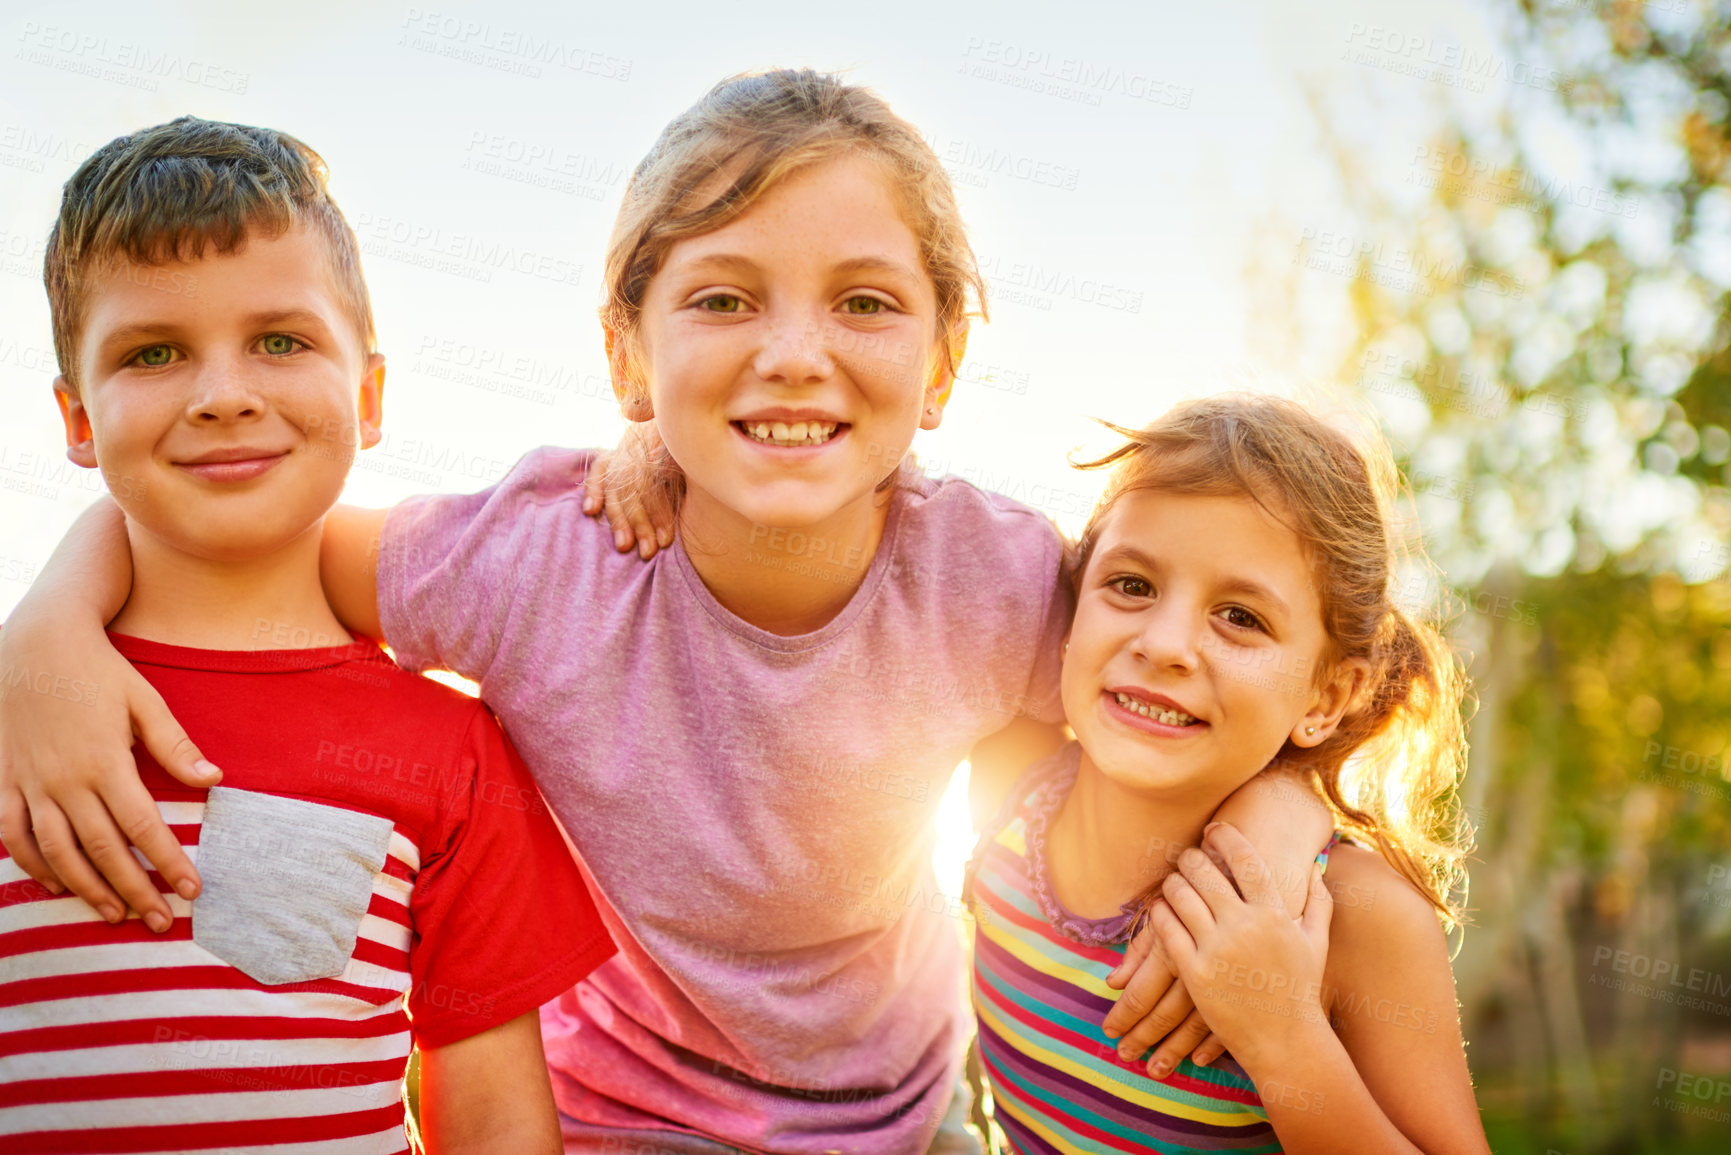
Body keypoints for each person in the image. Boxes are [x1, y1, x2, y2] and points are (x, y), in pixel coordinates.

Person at [0, 75, 1329, 1153]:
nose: (792, 350)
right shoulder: (533, 558)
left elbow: (1198, 690)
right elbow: (246, 525)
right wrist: (45, 631)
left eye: (863, 301)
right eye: (721, 298)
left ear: (944, 361)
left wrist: (1279, 816)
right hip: (605, 1117)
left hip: (907, 1115)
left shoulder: (997, 575)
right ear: (628, 354)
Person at [0, 117, 614, 1155]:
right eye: (153, 353)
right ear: (76, 418)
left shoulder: (455, 753)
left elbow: (494, 1118)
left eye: (280, 341)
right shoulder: (19, 715)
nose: (224, 396)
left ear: (369, 395)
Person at [965, 396, 1489, 1153]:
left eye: (1240, 616)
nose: (1166, 643)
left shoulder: (1352, 917)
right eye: (1132, 585)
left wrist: (1284, 1038)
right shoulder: (1007, 771)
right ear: (1070, 614)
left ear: (1327, 696)